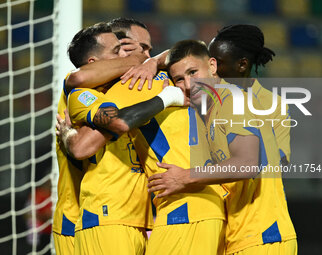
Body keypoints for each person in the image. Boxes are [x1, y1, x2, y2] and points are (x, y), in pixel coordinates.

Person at [59, 23, 226, 255]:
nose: (143, 55)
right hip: (103, 215)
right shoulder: (88, 93)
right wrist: (162, 91)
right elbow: (81, 145)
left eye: (148, 49)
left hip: (149, 216)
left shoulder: (157, 81)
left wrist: (151, 62)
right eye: (124, 50)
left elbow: (186, 54)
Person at [148, 39, 297, 255]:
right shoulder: (211, 108)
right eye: (179, 79)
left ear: (212, 66)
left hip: (262, 237)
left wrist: (184, 177)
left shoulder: (232, 101)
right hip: (239, 238)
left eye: (193, 72)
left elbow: (246, 164)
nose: (189, 85)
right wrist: (152, 63)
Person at [52, 22, 127, 255]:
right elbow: (82, 147)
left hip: (126, 217)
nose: (125, 56)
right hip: (84, 218)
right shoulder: (80, 91)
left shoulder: (120, 90)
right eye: (117, 51)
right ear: (93, 62)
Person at [208, 24, 291, 165]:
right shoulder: (207, 95)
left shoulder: (273, 104)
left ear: (242, 65)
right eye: (208, 61)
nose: (211, 68)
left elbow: (280, 161)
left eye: (218, 62)